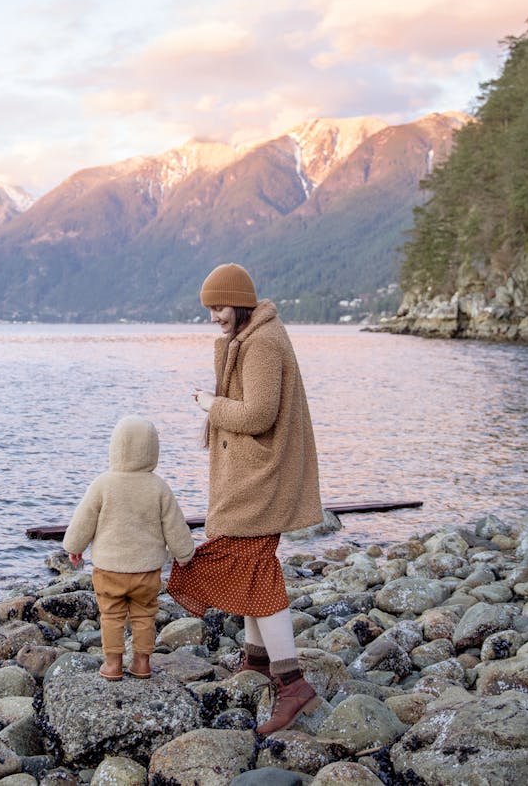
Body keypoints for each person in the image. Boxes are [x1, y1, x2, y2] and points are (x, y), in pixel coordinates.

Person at [167, 262, 323, 733]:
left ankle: (293, 685)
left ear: (238, 301)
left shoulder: (261, 344)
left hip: (260, 479)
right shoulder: (254, 337)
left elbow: (258, 414)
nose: (213, 315)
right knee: (251, 567)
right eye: (209, 308)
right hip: (257, 476)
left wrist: (211, 405)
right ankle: (257, 661)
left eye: (218, 306)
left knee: (251, 566)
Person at [63, 414, 195, 681]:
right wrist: (184, 554)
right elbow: (175, 525)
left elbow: (84, 519)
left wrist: (74, 547)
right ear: (152, 450)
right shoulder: (159, 487)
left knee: (110, 615)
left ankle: (112, 664)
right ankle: (142, 662)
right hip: (147, 570)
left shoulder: (103, 483)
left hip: (109, 568)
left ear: (115, 447)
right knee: (144, 615)